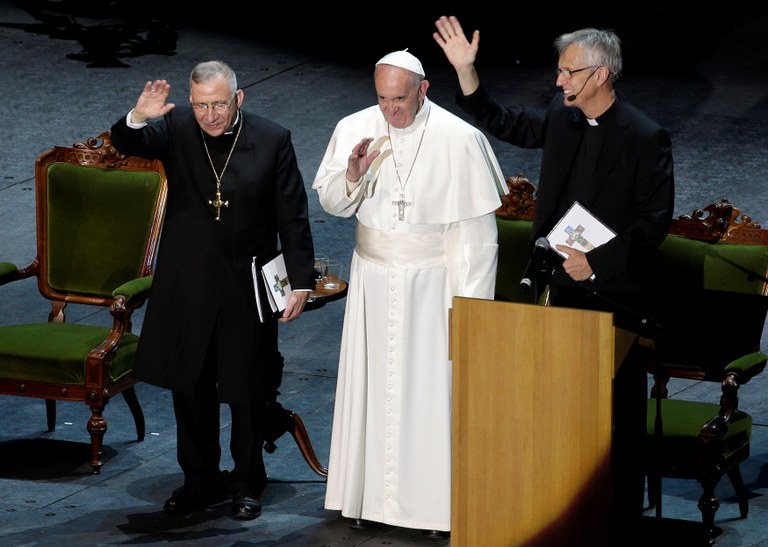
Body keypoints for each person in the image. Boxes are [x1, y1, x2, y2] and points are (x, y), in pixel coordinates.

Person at [433, 16, 675, 540]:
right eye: (559, 72)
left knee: (615, 425)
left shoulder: (645, 136)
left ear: (601, 75)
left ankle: (619, 525)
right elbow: (501, 120)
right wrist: (466, 73)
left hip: (616, 298)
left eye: (569, 73)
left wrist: (600, 260)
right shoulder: (561, 120)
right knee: (560, 415)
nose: (559, 81)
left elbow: (653, 224)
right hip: (560, 291)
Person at [109, 60, 315, 520]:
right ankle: (198, 481)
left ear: (238, 99)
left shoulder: (272, 138)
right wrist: (139, 116)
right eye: (201, 105)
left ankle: (246, 482)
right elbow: (127, 144)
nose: (210, 115)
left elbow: (292, 216)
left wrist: (299, 283)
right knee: (191, 385)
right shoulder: (176, 127)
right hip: (188, 283)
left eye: (219, 104)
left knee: (246, 387)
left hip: (248, 284)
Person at [312, 49, 507, 535]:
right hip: (373, 281)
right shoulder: (356, 125)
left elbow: (478, 238)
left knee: (428, 394)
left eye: (399, 99)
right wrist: (353, 174)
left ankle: (433, 509)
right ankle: (366, 501)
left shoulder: (460, 139)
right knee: (372, 388)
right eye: (382, 98)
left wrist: (469, 309)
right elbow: (333, 204)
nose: (390, 111)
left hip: (433, 285)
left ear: (423, 90)